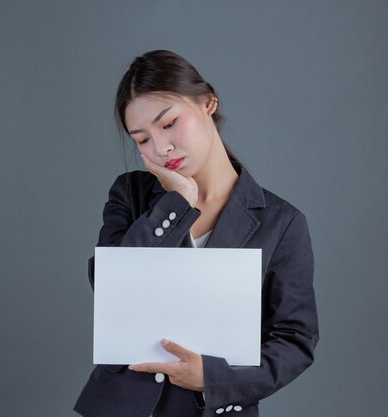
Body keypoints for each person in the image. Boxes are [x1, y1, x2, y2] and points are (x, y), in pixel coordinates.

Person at [74, 50, 318, 417]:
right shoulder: (131, 195)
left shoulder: (282, 223)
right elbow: (111, 286)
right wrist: (176, 204)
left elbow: (295, 341)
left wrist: (213, 378)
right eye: (142, 139)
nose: (160, 148)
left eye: (169, 123)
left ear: (208, 103)